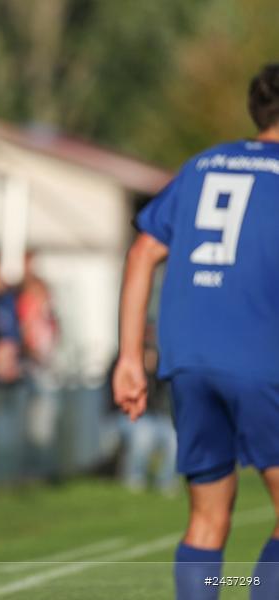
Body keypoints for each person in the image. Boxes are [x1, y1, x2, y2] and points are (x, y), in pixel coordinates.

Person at [113, 63, 279, 600]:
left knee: (208, 518)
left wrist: (130, 359)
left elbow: (143, 251)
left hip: (188, 359)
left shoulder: (203, 165)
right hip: (261, 357)